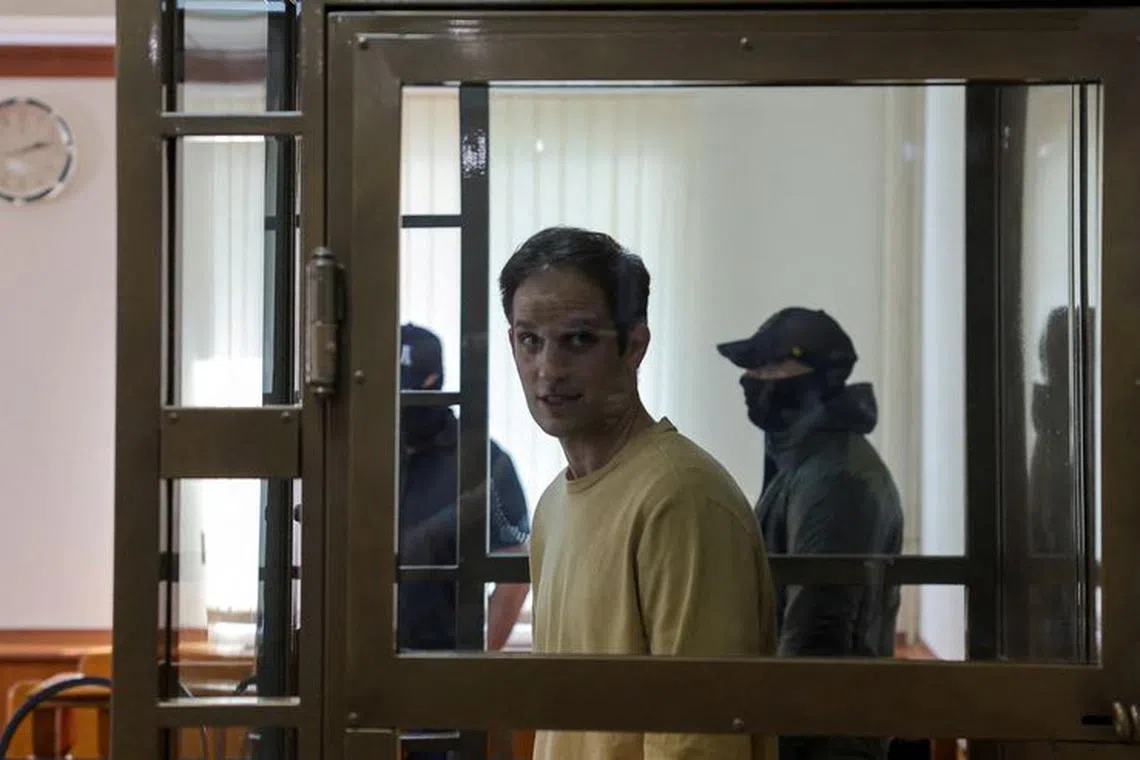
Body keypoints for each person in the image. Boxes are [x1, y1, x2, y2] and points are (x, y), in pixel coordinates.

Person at [498, 226, 778, 760]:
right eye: (530, 339)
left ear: (635, 345)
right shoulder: (554, 504)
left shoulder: (682, 498)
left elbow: (699, 740)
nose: (548, 369)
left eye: (577, 339)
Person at [717, 306, 904, 760]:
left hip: (822, 738)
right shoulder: (804, 461)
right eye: (752, 367)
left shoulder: (833, 477)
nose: (753, 380)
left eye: (771, 367)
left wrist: (783, 739)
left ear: (817, 379)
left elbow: (816, 631)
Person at [397, 323, 532, 760]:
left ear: (435, 383)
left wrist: (476, 661)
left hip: (450, 678)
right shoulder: (368, 454)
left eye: (411, 391)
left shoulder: (482, 462)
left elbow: (516, 568)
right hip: (371, 676)